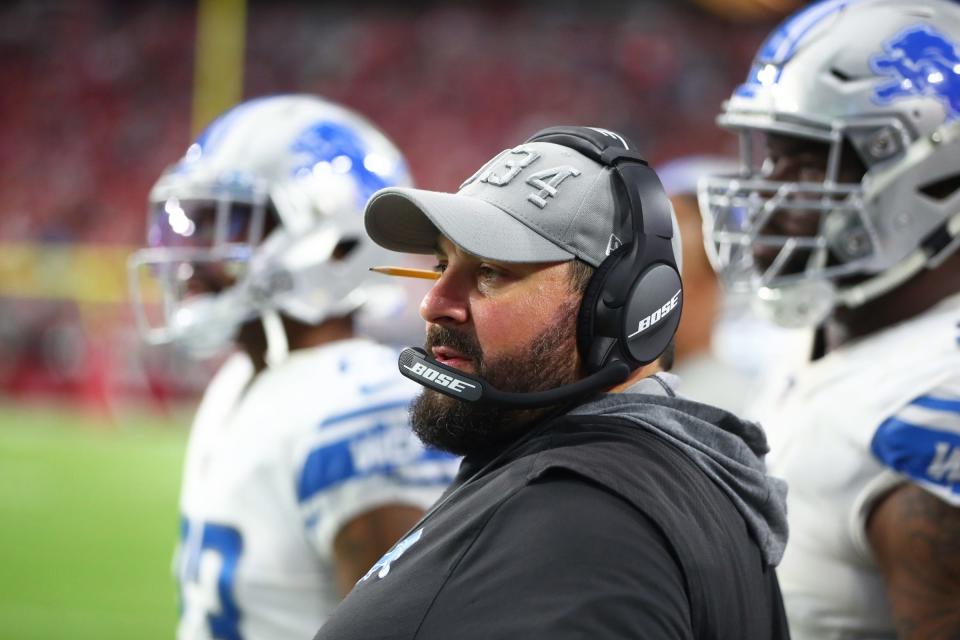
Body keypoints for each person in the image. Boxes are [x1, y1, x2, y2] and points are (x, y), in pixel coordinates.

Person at [313, 126, 790, 639]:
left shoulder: (586, 525)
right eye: (442, 264)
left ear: (620, 309)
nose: (434, 303)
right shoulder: (632, 478)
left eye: (490, 272)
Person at [128, 94, 459, 639]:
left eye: (231, 223)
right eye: (196, 221)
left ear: (334, 241)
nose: (190, 258)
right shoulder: (240, 379)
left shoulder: (361, 405)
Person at [698, 1, 960, 637]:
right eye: (770, 157)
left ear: (935, 175)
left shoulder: (930, 402)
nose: (765, 194)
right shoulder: (834, 325)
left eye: (810, 163)